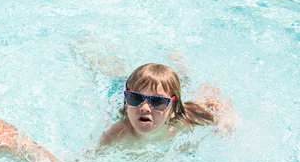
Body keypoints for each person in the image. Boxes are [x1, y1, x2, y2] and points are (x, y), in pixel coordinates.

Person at [98, 63, 235, 148]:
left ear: (173, 108)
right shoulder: (117, 133)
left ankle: (180, 63)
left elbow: (215, 99)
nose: (144, 107)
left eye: (157, 101)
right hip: (116, 90)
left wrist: (226, 124)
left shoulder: (185, 120)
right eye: (135, 98)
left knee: (185, 78)